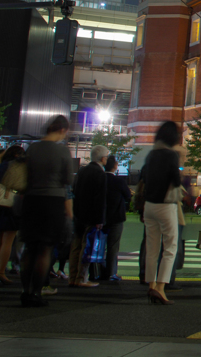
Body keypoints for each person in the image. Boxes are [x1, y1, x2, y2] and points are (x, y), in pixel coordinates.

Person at [20, 116, 75, 306]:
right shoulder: (62, 150)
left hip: (31, 199)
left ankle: (25, 290)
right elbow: (68, 178)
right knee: (45, 248)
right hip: (53, 201)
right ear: (62, 130)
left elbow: (26, 174)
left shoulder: (33, 148)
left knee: (30, 248)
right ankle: (36, 292)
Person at [141, 121, 182, 305]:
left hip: (149, 205)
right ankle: (160, 287)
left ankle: (151, 285)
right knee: (170, 247)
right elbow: (176, 179)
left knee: (152, 248)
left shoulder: (151, 154)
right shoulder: (171, 155)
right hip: (166, 205)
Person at [68, 145, 108, 288]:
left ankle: (72, 277)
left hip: (78, 214)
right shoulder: (100, 174)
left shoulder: (82, 171)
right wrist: (100, 219)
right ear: (103, 158)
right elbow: (100, 199)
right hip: (91, 216)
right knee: (87, 247)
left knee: (76, 247)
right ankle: (82, 278)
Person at [0, 146, 24, 285]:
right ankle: (2, 272)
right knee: (8, 242)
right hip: (10, 207)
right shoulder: (15, 168)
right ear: (17, 155)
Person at [97, 155, 131, 281]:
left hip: (100, 217)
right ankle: (111, 273)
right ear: (115, 166)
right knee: (113, 246)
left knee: (99, 245)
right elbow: (128, 195)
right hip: (116, 217)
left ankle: (98, 271)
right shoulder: (119, 181)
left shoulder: (99, 179)